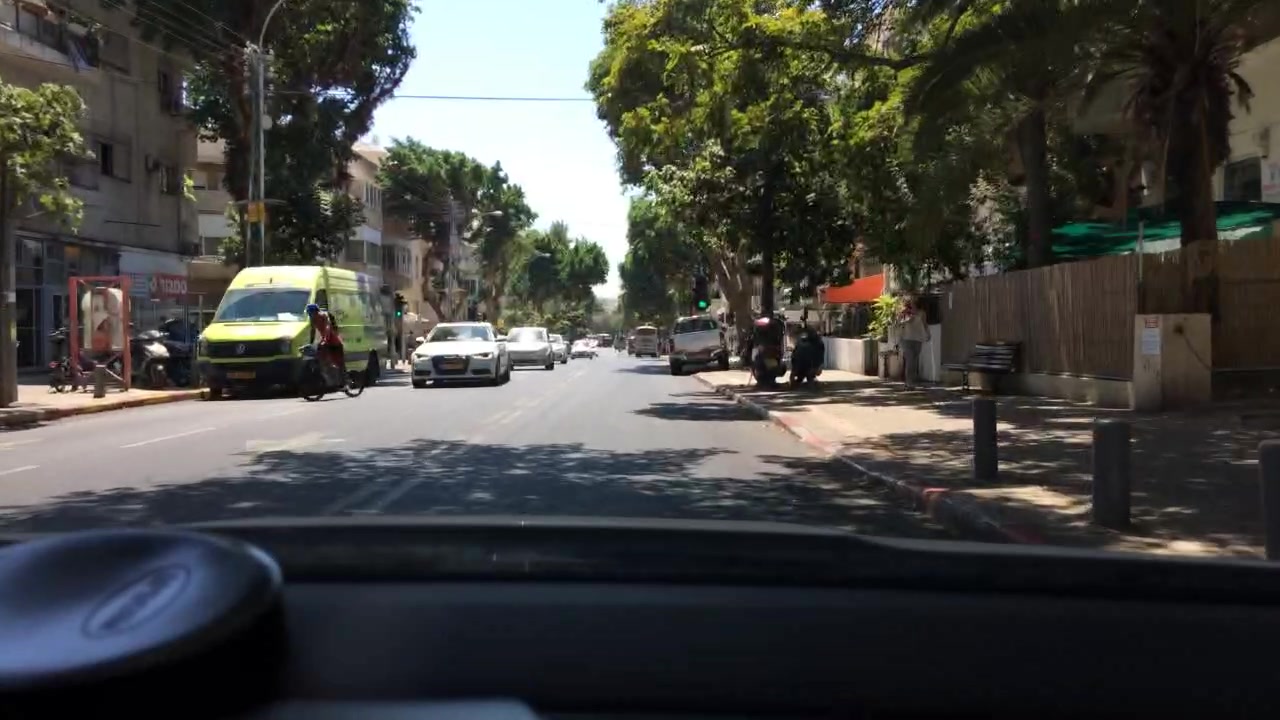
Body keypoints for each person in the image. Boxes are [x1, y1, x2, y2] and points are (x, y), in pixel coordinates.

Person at [306, 303, 346, 383]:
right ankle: (328, 377)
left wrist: (324, 340)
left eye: (311, 313)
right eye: (309, 313)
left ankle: (344, 381)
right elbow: (312, 331)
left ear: (315, 312)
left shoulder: (323, 316)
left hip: (335, 342)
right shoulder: (313, 319)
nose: (310, 315)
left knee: (339, 363)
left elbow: (328, 328)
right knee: (322, 359)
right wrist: (311, 342)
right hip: (326, 342)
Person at [899, 297, 931, 390]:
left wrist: (927, 334)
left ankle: (912, 381)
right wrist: (906, 315)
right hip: (906, 339)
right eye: (910, 302)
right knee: (910, 361)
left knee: (915, 361)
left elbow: (925, 324)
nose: (912, 304)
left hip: (917, 339)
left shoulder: (921, 313)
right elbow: (900, 323)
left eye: (913, 302)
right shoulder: (905, 312)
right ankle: (909, 382)